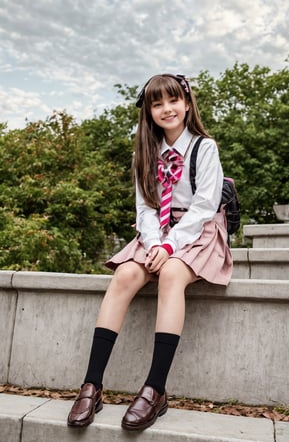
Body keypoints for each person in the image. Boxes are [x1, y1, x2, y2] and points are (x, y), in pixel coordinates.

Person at [67, 73, 233, 431]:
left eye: (173, 101)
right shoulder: (144, 152)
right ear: (149, 111)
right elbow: (144, 208)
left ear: (187, 104)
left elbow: (205, 206)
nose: (166, 109)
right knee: (125, 273)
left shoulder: (204, 148)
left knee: (172, 272)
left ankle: (155, 389)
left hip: (198, 231)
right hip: (157, 230)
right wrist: (156, 242)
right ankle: (91, 385)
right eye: (157, 103)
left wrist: (171, 246)